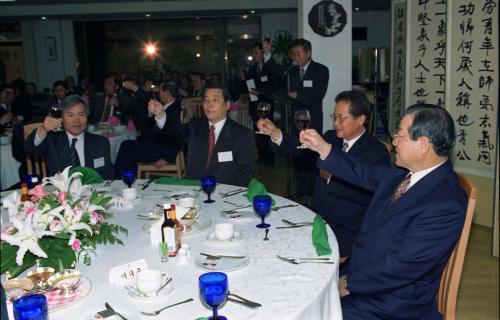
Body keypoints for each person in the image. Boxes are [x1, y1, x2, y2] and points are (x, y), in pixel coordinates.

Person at [300, 104, 467, 319]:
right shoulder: (405, 173)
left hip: (390, 302)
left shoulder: (445, 203)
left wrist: (349, 283)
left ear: (423, 144)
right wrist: (323, 148)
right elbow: (363, 172)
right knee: (302, 283)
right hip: (365, 272)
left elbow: (403, 266)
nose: (393, 141)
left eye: (400, 135)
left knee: (310, 311)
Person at [258, 90, 391, 257]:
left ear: (360, 120)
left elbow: (370, 195)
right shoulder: (331, 138)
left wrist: (330, 178)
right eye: (334, 117)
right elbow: (300, 149)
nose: (336, 123)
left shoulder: (376, 152)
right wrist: (275, 133)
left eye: (341, 118)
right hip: (318, 219)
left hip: (348, 230)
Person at [177, 83, 256, 187]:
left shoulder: (243, 134)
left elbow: (245, 173)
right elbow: (174, 133)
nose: (209, 104)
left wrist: (226, 194)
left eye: (215, 100)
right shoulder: (194, 126)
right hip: (194, 192)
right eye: (206, 100)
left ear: (227, 105)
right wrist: (161, 116)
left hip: (225, 194)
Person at [25, 95, 114, 179]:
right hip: (61, 192)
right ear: (61, 118)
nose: (77, 120)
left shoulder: (100, 142)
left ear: (87, 117)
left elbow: (108, 174)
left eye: (81, 115)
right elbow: (31, 148)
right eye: (71, 115)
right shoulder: (52, 140)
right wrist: (43, 129)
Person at [114, 82, 184, 177]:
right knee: (130, 145)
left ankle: (120, 180)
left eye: (160, 92)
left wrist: (168, 158)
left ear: (167, 93)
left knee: (127, 147)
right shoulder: (170, 106)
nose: (158, 94)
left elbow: (178, 136)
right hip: (157, 145)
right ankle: (128, 178)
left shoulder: (174, 110)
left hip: (162, 151)